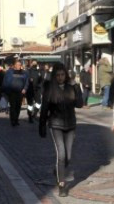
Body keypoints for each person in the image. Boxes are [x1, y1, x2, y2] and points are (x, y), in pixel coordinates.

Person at [39, 63, 83, 197]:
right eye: (57, 75)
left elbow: (80, 104)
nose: (60, 77)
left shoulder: (71, 87)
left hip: (71, 124)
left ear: (66, 75)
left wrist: (76, 87)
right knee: (61, 154)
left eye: (62, 75)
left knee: (68, 156)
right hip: (56, 124)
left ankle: (58, 170)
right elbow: (44, 108)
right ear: (54, 76)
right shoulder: (50, 88)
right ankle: (62, 185)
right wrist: (41, 125)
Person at [3, 60, 29, 126]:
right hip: (12, 92)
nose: (19, 66)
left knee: (18, 107)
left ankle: (16, 119)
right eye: (17, 65)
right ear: (14, 65)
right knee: (13, 107)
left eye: (20, 65)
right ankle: (13, 120)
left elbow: (26, 82)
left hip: (20, 93)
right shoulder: (9, 72)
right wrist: (6, 91)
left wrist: (25, 89)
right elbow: (5, 81)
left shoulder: (24, 73)